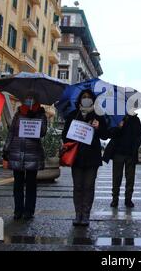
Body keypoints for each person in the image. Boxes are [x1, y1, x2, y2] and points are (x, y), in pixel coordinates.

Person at [62, 90, 109, 227]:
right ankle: (78, 214)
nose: (86, 99)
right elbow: (64, 135)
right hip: (76, 157)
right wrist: (73, 133)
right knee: (78, 187)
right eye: (84, 97)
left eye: (89, 97)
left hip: (92, 158)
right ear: (80, 99)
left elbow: (105, 135)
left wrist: (99, 127)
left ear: (93, 100)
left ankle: (86, 215)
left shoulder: (98, 116)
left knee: (89, 187)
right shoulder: (73, 115)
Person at [3, 93, 47, 221]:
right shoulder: (18, 114)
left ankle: (29, 211)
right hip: (17, 151)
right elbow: (11, 132)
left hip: (33, 153)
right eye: (27, 98)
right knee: (17, 184)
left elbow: (43, 132)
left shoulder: (41, 114)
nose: (29, 100)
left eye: (32, 98)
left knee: (31, 184)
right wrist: (6, 149)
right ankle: (18, 210)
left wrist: (34, 119)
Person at [103, 114, 141, 208]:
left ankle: (128, 200)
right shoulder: (116, 117)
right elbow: (110, 133)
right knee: (116, 177)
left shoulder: (136, 119)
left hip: (131, 154)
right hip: (118, 153)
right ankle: (115, 199)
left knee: (130, 178)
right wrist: (118, 127)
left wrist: (135, 146)